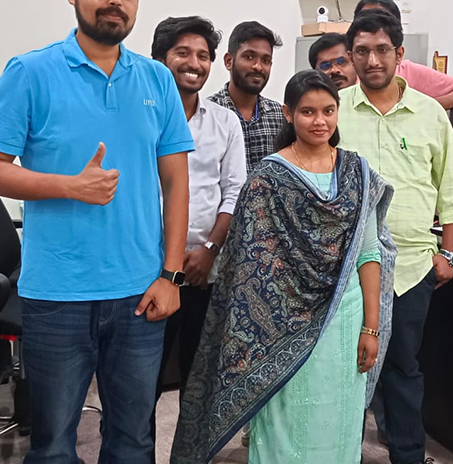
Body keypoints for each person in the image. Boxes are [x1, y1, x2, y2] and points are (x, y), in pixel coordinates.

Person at [0, 0, 194, 464]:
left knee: (134, 441)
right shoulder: (30, 73)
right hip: (58, 295)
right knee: (52, 445)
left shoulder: (157, 80)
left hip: (141, 293)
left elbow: (176, 183)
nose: (115, 1)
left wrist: (171, 275)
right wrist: (70, 186)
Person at [170, 70, 397, 464]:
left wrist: (371, 327)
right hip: (280, 331)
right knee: (287, 426)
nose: (319, 121)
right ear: (289, 114)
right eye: (308, 112)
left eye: (328, 110)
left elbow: (368, 253)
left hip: (345, 320)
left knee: (339, 420)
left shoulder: (355, 173)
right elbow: (249, 269)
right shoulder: (268, 179)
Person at [338, 9, 453, 464]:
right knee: (345, 367)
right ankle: (340, 453)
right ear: (350, 56)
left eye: (381, 50)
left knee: (402, 367)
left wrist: (448, 254)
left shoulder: (430, 113)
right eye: (361, 51)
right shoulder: (335, 110)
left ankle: (408, 455)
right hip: (347, 265)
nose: (372, 60)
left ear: (399, 54)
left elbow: (451, 188)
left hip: (412, 265)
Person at [149, 16, 247, 452]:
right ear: (160, 58)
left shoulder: (224, 122)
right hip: (149, 269)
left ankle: (190, 456)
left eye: (203, 56)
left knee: (197, 376)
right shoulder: (141, 117)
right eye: (183, 53)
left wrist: (209, 249)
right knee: (143, 379)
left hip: (204, 270)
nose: (194, 63)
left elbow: (234, 191)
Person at [353, 0, 453, 109]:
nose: (372, 62)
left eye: (382, 50)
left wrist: (426, 108)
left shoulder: (407, 71)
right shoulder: (345, 71)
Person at [208, 21, 285, 173]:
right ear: (229, 61)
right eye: (249, 57)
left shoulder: (279, 115)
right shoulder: (208, 115)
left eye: (266, 60)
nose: (258, 67)